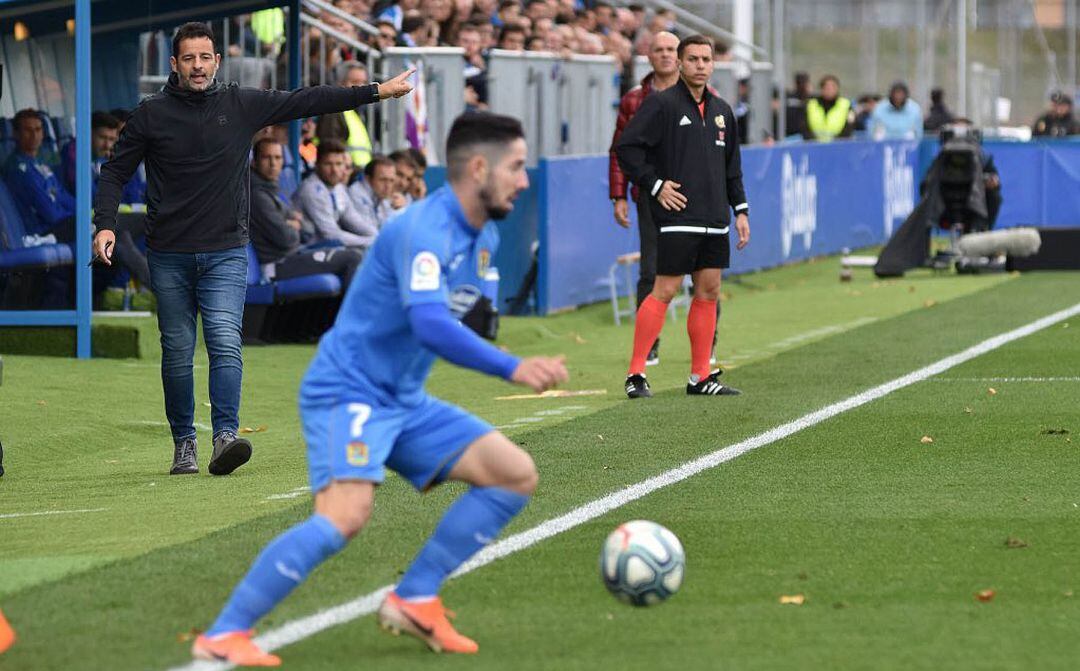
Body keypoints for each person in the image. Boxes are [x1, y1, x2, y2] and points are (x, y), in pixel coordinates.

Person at [192, 112, 568, 665]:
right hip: (350, 392)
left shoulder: (482, 230)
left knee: (512, 475)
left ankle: (415, 598)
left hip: (402, 399)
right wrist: (512, 367)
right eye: (516, 166)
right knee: (345, 516)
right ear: (480, 167)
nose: (524, 179)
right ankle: (223, 635)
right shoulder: (425, 229)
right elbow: (431, 324)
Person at [91, 22, 414, 477]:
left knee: (225, 341)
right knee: (179, 350)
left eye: (205, 58)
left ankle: (225, 436)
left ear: (217, 61)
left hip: (226, 249)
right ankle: (184, 442)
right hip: (169, 253)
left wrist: (375, 91)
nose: (198, 66)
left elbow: (308, 98)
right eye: (189, 59)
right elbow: (113, 173)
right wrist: (105, 226)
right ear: (174, 64)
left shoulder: (241, 103)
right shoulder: (151, 114)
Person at [615, 34, 750, 399]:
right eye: (693, 59)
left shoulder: (723, 111)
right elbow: (626, 148)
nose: (701, 65)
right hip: (678, 217)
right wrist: (656, 185)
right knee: (665, 290)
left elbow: (732, 167)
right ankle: (636, 373)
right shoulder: (661, 105)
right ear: (679, 62)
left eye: (706, 59)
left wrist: (740, 210)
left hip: (715, 218)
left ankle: (700, 376)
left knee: (709, 292)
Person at [608, 30, 680, 367]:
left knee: (705, 272)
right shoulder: (634, 100)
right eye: (659, 50)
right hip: (649, 195)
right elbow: (619, 151)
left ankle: (708, 348)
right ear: (648, 56)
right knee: (650, 269)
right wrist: (618, 194)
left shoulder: (703, 95)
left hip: (693, 195)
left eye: (671, 50)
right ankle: (648, 345)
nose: (666, 55)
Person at [250, 138, 363, 285]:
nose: (273, 164)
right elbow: (286, 239)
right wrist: (292, 223)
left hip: (293, 255)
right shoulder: (258, 195)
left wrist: (291, 223)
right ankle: (351, 309)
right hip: (275, 265)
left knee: (348, 252)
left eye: (277, 158)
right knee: (352, 258)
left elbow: (307, 229)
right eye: (266, 157)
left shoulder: (274, 190)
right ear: (254, 162)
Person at [2, 109, 75, 242]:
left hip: (61, 224)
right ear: (16, 134)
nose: (34, 135)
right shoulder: (17, 169)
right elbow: (50, 213)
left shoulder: (42, 163)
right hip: (41, 233)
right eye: (28, 130)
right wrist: (79, 218)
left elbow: (63, 196)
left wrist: (85, 212)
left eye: (38, 129)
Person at [296, 140, 381, 246]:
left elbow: (354, 220)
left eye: (339, 164)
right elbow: (331, 234)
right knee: (356, 256)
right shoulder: (311, 189)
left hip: (325, 249)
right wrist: (370, 242)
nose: (334, 170)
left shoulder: (338, 188)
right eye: (328, 164)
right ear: (317, 165)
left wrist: (377, 237)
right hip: (306, 249)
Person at [315, 62, 375, 170]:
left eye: (364, 82)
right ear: (341, 83)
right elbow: (331, 149)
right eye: (355, 82)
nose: (361, 86)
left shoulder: (356, 113)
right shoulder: (335, 111)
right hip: (344, 175)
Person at [348, 154, 407, 230]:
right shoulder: (356, 194)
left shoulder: (382, 196)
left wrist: (401, 209)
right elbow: (370, 230)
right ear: (368, 179)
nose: (388, 186)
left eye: (391, 180)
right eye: (383, 180)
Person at [804, 74, 853, 142]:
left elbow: (849, 126)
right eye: (827, 88)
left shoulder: (846, 105)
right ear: (822, 89)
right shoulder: (811, 104)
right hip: (814, 145)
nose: (830, 90)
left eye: (833, 87)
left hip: (838, 145)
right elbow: (804, 125)